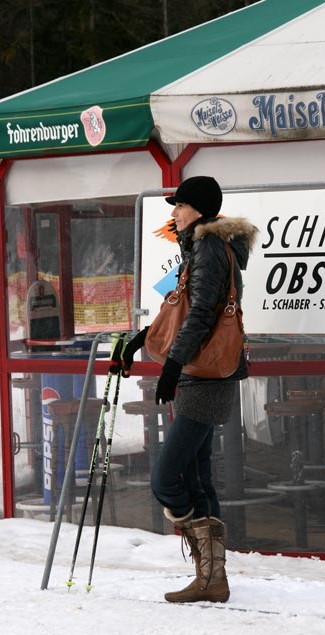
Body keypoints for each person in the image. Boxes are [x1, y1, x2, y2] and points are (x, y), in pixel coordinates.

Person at [121, 176, 258, 603]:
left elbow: (201, 315)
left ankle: (207, 562)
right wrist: (142, 338)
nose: (173, 213)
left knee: (167, 479)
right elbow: (180, 307)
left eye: (178, 205)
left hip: (204, 377)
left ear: (197, 208)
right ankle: (211, 578)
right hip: (201, 375)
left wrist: (172, 364)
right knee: (198, 478)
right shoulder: (203, 245)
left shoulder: (208, 247)